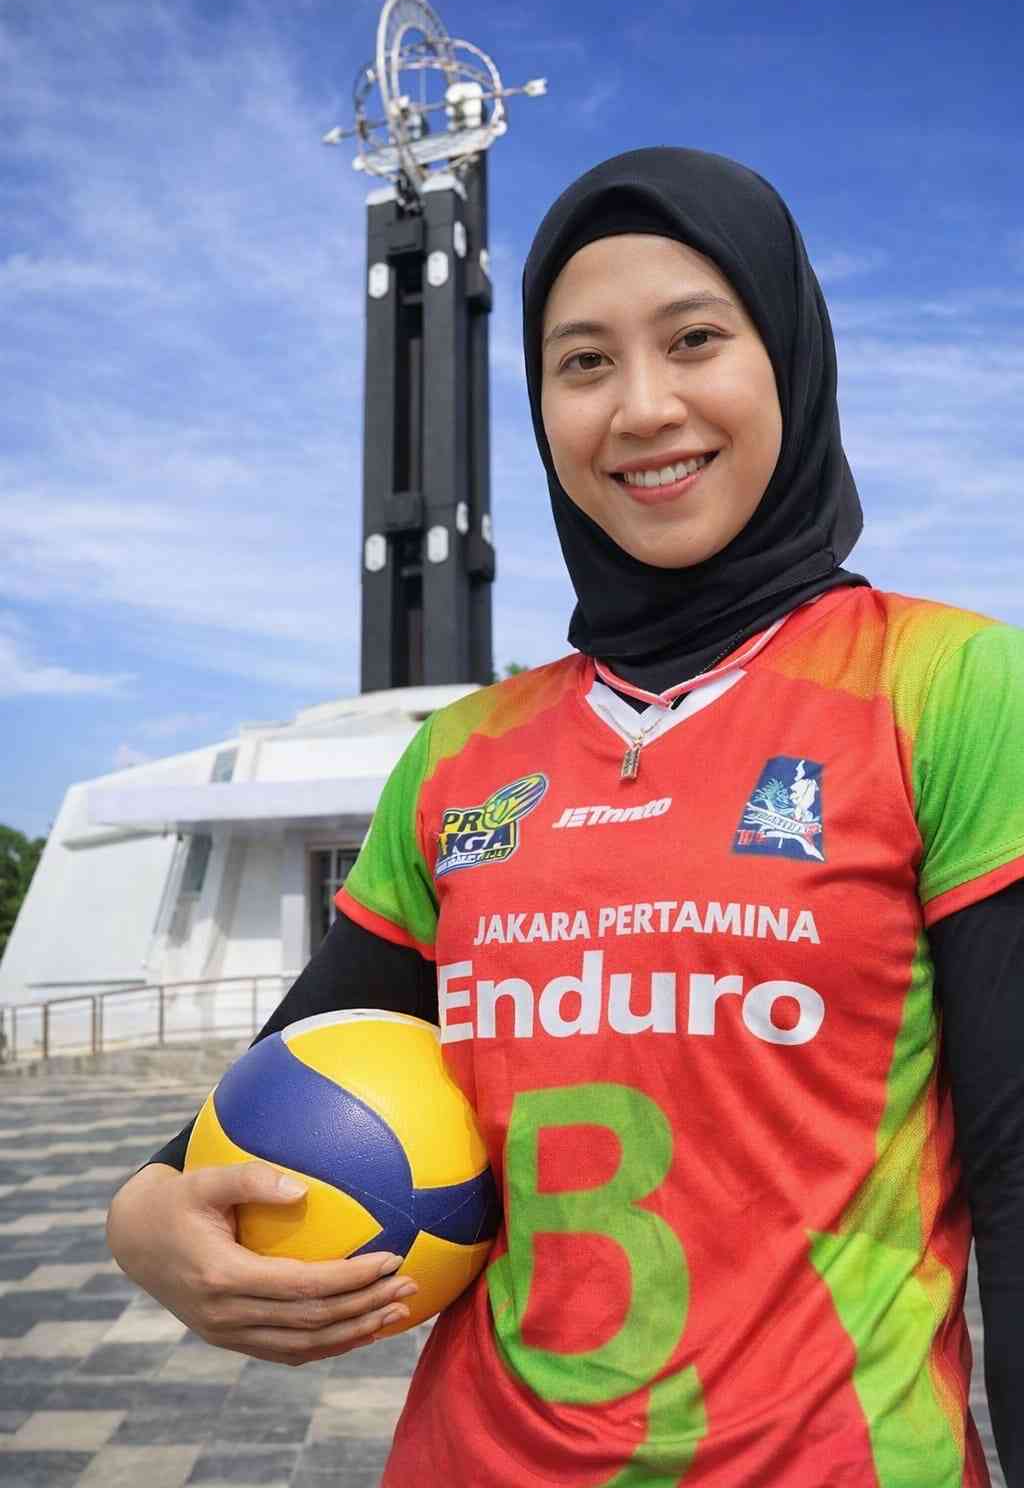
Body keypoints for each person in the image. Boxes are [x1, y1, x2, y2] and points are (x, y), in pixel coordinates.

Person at [107, 148, 1024, 1487]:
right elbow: (279, 1079)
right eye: (583, 362)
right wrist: (144, 1219)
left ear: (792, 358)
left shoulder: (952, 688)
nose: (643, 407)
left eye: (696, 339)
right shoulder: (461, 756)